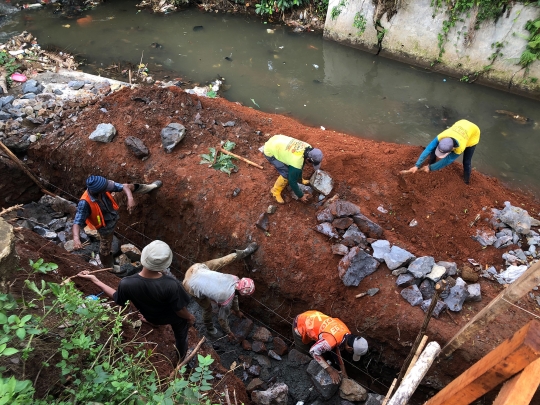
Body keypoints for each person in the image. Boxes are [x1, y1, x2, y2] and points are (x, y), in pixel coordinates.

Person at [77, 240, 195, 361]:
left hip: (150, 317)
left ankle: (152, 323)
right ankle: (181, 357)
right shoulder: (172, 285)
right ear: (165, 264)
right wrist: (189, 317)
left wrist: (94, 280)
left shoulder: (126, 283)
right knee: (181, 335)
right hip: (172, 318)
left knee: (155, 315)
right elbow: (180, 310)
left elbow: (117, 298)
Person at [72, 175, 162, 268]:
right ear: (98, 191)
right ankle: (109, 267)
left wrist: (130, 199)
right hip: (106, 228)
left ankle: (150, 188)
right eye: (106, 188)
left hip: (111, 205)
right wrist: (76, 239)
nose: (109, 187)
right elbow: (77, 222)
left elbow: (124, 187)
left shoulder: (104, 186)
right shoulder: (84, 203)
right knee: (105, 250)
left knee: (128, 187)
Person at [183, 243, 258, 342]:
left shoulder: (235, 279)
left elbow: (234, 294)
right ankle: (210, 329)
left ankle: (244, 252)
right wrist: (229, 333)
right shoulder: (227, 300)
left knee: (223, 261)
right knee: (207, 308)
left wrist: (237, 311)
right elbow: (222, 319)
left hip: (196, 269)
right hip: (190, 284)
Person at [293, 310, 368, 384]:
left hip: (312, 315)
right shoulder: (331, 341)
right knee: (302, 354)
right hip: (300, 324)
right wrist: (331, 371)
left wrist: (344, 372)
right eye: (352, 352)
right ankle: (299, 374)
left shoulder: (345, 331)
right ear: (350, 348)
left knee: (322, 347)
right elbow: (313, 352)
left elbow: (335, 347)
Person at [402, 119, 480, 184]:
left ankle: (466, 181)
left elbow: (446, 161)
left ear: (452, 148)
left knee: (466, 161)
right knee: (433, 148)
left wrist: (431, 168)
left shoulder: (460, 147)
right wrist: (417, 165)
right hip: (461, 123)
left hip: (473, 133)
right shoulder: (441, 136)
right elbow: (428, 149)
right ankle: (431, 162)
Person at [262, 134, 323, 204]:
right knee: (286, 173)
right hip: (270, 150)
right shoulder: (297, 162)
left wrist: (300, 179)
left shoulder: (307, 146)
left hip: (277, 139)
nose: (311, 165)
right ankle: (275, 191)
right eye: (312, 163)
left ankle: (300, 180)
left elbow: (301, 165)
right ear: (308, 159)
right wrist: (301, 196)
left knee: (295, 169)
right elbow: (292, 182)